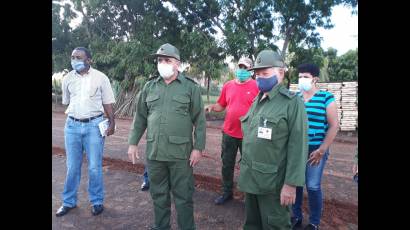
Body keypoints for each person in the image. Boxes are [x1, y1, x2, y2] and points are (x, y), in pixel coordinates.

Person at [127, 43, 206, 230]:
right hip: (155, 154)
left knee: (184, 198)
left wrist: (198, 148)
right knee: (158, 196)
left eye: (167, 60)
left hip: (181, 155)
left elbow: (200, 121)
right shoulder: (149, 87)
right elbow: (140, 118)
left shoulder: (190, 88)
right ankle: (161, 226)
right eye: (160, 60)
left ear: (177, 64)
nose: (162, 63)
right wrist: (133, 143)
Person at [238, 50, 308, 229]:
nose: (260, 78)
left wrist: (291, 185)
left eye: (265, 73)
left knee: (274, 225)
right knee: (252, 224)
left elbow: (298, 147)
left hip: (273, 185)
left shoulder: (292, 103)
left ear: (281, 73)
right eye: (258, 74)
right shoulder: (258, 100)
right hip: (251, 178)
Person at [56, 47, 116, 217]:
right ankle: (68, 202)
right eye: (73, 57)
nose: (75, 60)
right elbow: (67, 101)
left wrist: (112, 122)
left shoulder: (101, 78)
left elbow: (108, 103)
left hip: (94, 126)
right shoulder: (67, 79)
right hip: (72, 126)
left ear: (89, 59)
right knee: (72, 167)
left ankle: (97, 201)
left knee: (95, 167)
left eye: (79, 57)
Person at [291, 63, 339, 230]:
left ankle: (314, 222)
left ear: (315, 79)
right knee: (295, 182)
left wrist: (322, 150)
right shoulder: (295, 98)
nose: (302, 79)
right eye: (300, 76)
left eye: (306, 76)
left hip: (316, 149)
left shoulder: (326, 98)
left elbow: (334, 126)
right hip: (297, 149)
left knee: (312, 185)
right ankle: (295, 216)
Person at [205, 57, 259, 205]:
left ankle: (249, 197)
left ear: (251, 71)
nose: (242, 70)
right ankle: (226, 192)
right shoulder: (228, 85)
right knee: (227, 164)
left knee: (249, 167)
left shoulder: (257, 86)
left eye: (245, 68)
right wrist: (212, 107)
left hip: (248, 135)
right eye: (240, 66)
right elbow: (221, 105)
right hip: (229, 133)